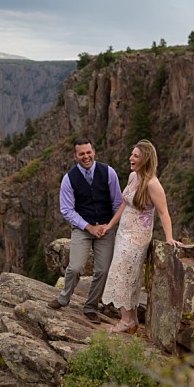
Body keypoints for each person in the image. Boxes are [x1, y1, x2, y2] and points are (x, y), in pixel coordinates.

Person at [101, 139, 180, 334]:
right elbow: (124, 203)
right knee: (127, 276)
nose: (131, 158)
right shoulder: (132, 177)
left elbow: (163, 213)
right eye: (132, 154)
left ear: (145, 159)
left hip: (137, 237)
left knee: (122, 275)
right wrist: (110, 225)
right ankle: (132, 319)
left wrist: (169, 237)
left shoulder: (153, 184)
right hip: (123, 233)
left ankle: (126, 321)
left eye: (136, 156)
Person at [49, 137, 123, 321]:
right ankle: (63, 298)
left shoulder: (108, 173)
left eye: (88, 152)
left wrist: (110, 226)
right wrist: (88, 227)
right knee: (75, 268)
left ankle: (91, 306)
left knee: (103, 270)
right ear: (75, 156)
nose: (86, 156)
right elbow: (66, 210)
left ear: (94, 152)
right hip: (82, 229)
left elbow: (118, 202)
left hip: (106, 227)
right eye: (81, 153)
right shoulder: (69, 179)